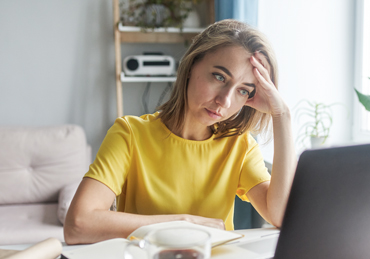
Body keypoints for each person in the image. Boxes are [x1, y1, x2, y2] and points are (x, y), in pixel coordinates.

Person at [64, 19, 296, 245]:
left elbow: (280, 216)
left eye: (243, 91)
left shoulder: (240, 146)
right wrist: (184, 223)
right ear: (191, 65)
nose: (224, 101)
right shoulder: (130, 134)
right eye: (219, 77)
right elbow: (78, 224)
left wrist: (282, 116)